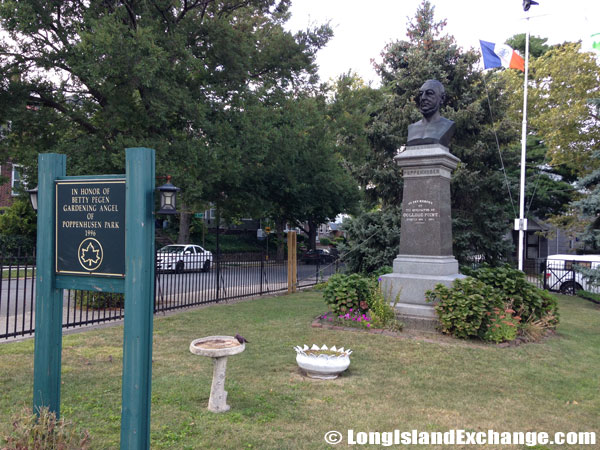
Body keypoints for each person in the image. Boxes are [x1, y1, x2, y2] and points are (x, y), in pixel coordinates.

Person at [406, 79, 455, 147]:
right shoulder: (412, 128)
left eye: (429, 93)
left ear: (442, 98)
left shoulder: (447, 125)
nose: (423, 98)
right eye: (421, 94)